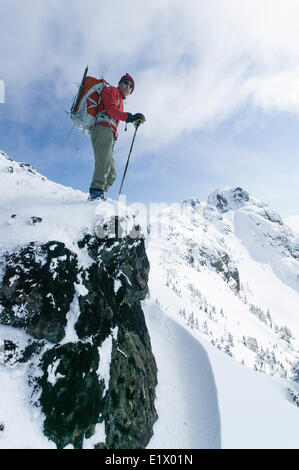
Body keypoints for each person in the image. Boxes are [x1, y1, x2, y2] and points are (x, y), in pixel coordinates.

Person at [88, 73, 145, 200]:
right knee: (104, 163)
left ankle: (100, 193)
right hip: (103, 127)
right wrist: (128, 117)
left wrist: (129, 118)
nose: (128, 86)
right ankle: (95, 193)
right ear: (119, 83)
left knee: (112, 174)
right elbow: (110, 109)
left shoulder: (120, 101)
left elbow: (116, 114)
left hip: (110, 133)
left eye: (131, 86)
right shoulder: (111, 91)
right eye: (126, 83)